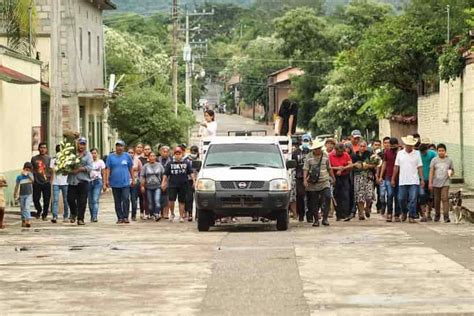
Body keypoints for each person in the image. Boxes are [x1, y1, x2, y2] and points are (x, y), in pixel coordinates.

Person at [392, 135, 424, 223]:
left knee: (413, 199)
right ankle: (404, 212)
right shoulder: (400, 153)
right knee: (401, 198)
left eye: (411, 145)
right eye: (408, 145)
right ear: (405, 144)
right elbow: (396, 166)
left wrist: (422, 179)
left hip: (414, 180)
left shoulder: (417, 153)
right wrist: (393, 178)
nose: (409, 146)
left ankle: (411, 216)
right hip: (402, 180)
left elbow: (420, 167)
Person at [303, 139, 335, 227]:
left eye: (319, 148)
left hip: (324, 181)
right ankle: (316, 220)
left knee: (328, 197)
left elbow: (329, 167)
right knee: (314, 201)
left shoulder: (325, 156)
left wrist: (333, 177)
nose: (317, 150)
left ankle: (325, 218)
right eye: (315, 149)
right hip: (313, 183)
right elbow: (305, 169)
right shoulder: (308, 157)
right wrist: (305, 180)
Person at [162, 147, 194, 223]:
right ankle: (172, 213)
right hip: (172, 185)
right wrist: (163, 182)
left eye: (179, 154)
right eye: (176, 154)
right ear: (174, 154)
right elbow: (165, 174)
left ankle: (181, 216)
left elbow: (191, 173)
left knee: (182, 201)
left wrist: (194, 181)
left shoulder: (186, 163)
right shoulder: (170, 163)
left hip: (183, 185)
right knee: (171, 200)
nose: (178, 155)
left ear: (182, 154)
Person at [104, 140, 134, 224]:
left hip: (125, 182)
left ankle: (125, 217)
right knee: (117, 201)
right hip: (114, 183)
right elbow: (108, 168)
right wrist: (107, 180)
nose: (119, 148)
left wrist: (133, 179)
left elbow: (131, 168)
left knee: (126, 199)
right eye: (118, 146)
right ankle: (120, 217)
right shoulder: (110, 157)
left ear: (123, 147)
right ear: (115, 147)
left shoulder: (127, 156)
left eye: (121, 146)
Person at [67, 137, 93, 226]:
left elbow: (90, 167)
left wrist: (80, 169)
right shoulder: (71, 153)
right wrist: (67, 169)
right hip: (72, 181)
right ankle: (74, 213)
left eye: (83, 144)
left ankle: (80, 219)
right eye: (80, 144)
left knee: (82, 201)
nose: (82, 146)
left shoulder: (88, 155)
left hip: (83, 181)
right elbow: (65, 164)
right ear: (77, 144)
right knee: (70, 199)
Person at [352, 141, 377, 220]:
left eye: (364, 146)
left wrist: (367, 166)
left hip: (368, 176)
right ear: (358, 147)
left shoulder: (369, 155)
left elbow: (375, 164)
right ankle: (361, 213)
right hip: (358, 176)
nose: (362, 148)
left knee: (369, 195)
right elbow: (351, 166)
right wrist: (356, 166)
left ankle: (367, 208)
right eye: (361, 146)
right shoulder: (354, 155)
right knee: (360, 195)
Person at [429, 144, 454, 223]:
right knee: (436, 200)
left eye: (442, 151)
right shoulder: (434, 160)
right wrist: (430, 182)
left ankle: (446, 216)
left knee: (445, 198)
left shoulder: (449, 160)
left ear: (445, 151)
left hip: (445, 182)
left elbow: (452, 170)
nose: (441, 152)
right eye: (439, 151)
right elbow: (431, 171)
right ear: (437, 151)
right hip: (436, 182)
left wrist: (451, 173)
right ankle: (437, 215)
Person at [378, 137, 401, 222]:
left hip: (399, 177)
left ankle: (397, 214)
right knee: (390, 195)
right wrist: (381, 176)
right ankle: (389, 213)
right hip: (388, 176)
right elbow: (384, 164)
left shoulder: (401, 153)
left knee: (398, 197)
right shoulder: (387, 152)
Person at [329, 143, 353, 221]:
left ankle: (346, 214)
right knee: (336, 195)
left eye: (342, 151)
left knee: (345, 195)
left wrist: (343, 168)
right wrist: (337, 168)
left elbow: (351, 165)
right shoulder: (330, 156)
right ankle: (338, 214)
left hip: (344, 176)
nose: (340, 153)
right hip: (334, 177)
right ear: (335, 150)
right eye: (339, 152)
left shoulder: (346, 155)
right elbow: (328, 167)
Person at [140, 152, 165, 221]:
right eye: (151, 156)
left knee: (157, 201)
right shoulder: (145, 166)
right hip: (148, 187)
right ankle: (152, 215)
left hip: (158, 186)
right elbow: (142, 176)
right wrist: (142, 186)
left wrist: (163, 184)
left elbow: (164, 175)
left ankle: (157, 214)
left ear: (155, 157)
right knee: (150, 203)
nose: (152, 157)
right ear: (148, 158)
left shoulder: (159, 165)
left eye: (154, 156)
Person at [31, 142, 52, 220]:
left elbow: (52, 170)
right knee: (35, 199)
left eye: (44, 148)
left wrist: (51, 180)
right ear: (38, 149)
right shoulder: (34, 158)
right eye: (41, 147)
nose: (42, 149)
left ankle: (44, 214)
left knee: (47, 199)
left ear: (46, 149)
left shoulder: (49, 159)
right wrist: (32, 179)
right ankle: (39, 210)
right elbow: (31, 169)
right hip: (37, 181)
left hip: (46, 182)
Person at [419, 138, 437, 222]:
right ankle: (423, 215)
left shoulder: (433, 154)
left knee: (430, 198)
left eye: (424, 152)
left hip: (431, 179)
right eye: (422, 152)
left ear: (427, 149)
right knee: (422, 196)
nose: (423, 153)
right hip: (420, 179)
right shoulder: (417, 155)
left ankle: (429, 213)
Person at [51, 144, 69, 223]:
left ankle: (66, 216)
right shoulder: (53, 160)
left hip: (65, 182)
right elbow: (53, 170)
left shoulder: (67, 160)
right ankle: (55, 216)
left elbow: (68, 170)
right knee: (55, 200)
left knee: (66, 200)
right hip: (56, 182)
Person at [14, 162, 34, 228]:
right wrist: (15, 194)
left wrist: (28, 175)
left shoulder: (30, 175)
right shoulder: (19, 177)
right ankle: (23, 220)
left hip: (29, 194)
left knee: (27, 207)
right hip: (22, 195)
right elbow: (16, 186)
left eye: (29, 169)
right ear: (23, 168)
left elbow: (33, 181)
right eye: (26, 169)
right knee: (22, 208)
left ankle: (28, 221)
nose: (27, 170)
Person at [88, 148, 106, 222]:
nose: (93, 155)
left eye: (95, 153)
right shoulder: (88, 162)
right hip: (89, 182)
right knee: (90, 201)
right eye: (92, 153)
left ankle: (95, 216)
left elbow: (104, 173)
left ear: (97, 154)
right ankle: (92, 215)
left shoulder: (101, 162)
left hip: (97, 182)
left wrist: (104, 184)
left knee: (95, 200)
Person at [375, 137, 391, 216]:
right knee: (381, 194)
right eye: (385, 143)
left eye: (388, 143)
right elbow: (378, 165)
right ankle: (383, 204)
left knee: (389, 194)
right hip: (382, 177)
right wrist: (377, 176)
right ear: (383, 144)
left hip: (389, 177)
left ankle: (388, 208)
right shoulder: (380, 154)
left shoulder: (393, 153)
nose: (387, 144)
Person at [184, 145, 199, 221]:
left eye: (195, 151)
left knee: (198, 198)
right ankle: (189, 214)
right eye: (192, 151)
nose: (194, 153)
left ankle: (197, 215)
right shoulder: (186, 160)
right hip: (188, 180)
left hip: (198, 180)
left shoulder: (199, 159)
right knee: (189, 198)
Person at [136, 143, 152, 219]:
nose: (147, 150)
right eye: (145, 149)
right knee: (142, 197)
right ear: (143, 150)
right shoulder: (140, 159)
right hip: (142, 181)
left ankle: (151, 213)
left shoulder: (153, 158)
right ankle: (143, 212)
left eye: (148, 149)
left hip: (152, 182)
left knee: (150, 198)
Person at [128, 146, 142, 221]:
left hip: (135, 182)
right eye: (129, 153)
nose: (130, 154)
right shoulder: (125, 160)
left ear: (134, 153)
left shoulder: (137, 161)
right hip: (126, 182)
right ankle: (125, 215)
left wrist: (139, 179)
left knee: (134, 199)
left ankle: (133, 215)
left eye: (132, 153)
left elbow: (141, 171)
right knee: (126, 199)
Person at [158, 146, 172, 220]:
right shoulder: (157, 159)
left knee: (167, 198)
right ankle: (160, 213)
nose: (165, 153)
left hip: (169, 181)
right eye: (164, 151)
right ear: (161, 152)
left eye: (167, 152)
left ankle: (166, 213)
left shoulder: (171, 160)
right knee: (159, 197)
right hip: (158, 181)